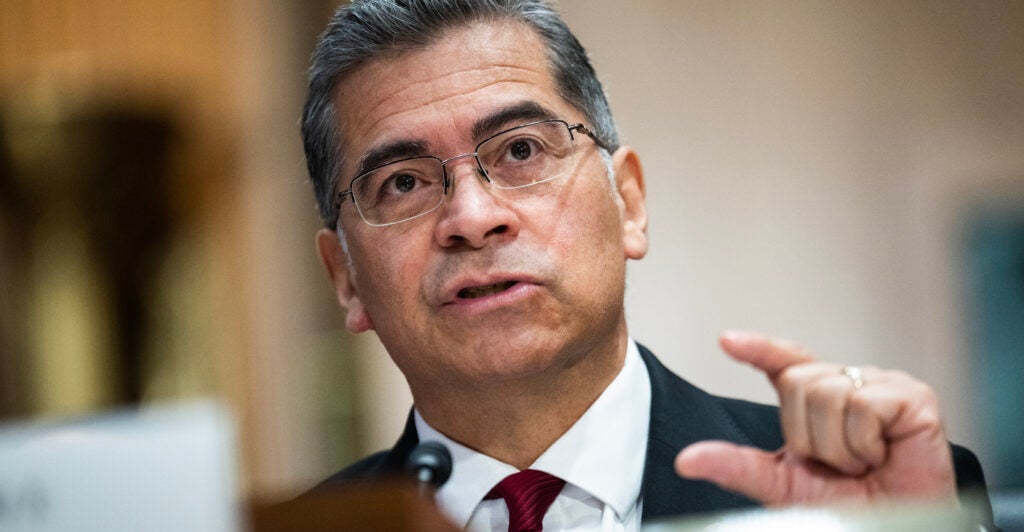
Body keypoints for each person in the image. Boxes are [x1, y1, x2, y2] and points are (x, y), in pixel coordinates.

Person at [301, 0, 994, 529]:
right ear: (346, 278)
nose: (473, 218)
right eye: (402, 183)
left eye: (520, 151)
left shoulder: (862, 499)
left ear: (629, 202)